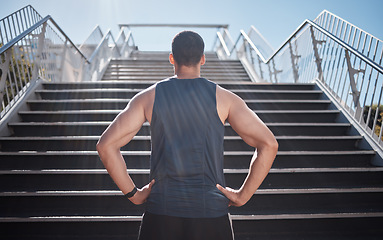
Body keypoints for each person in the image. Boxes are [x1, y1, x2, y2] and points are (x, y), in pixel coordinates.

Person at [96, 30, 278, 240]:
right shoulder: (226, 99)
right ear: (202, 59)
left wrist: (134, 195)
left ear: (172, 58)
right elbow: (269, 144)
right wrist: (242, 196)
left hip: (161, 213)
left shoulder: (147, 98)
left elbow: (106, 145)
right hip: (211, 215)